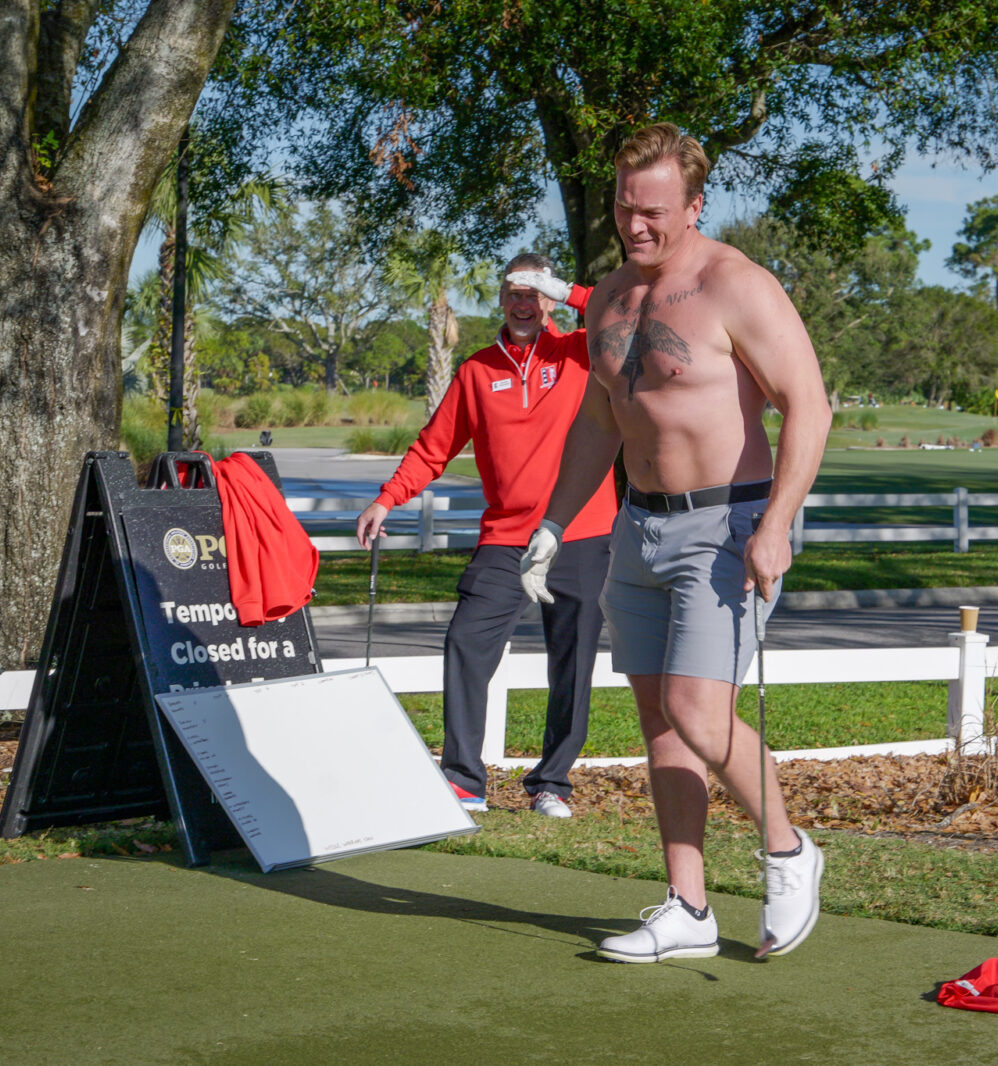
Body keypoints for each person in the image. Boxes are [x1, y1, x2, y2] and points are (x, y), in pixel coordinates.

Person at [521, 123, 833, 961]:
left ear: (694, 206)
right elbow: (601, 421)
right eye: (625, 209)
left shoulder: (737, 285)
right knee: (662, 722)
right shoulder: (610, 297)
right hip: (639, 527)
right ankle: (688, 908)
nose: (636, 226)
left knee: (699, 712)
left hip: (727, 525)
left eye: (654, 212)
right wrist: (553, 521)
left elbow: (810, 406)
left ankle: (788, 852)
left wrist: (776, 525)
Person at [356, 254, 616, 817]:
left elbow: (626, 311)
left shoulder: (580, 353)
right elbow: (433, 449)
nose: (523, 304)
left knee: (572, 662)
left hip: (582, 532)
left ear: (548, 299)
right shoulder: (476, 371)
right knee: (466, 641)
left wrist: (568, 290)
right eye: (513, 292)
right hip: (507, 538)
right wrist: (387, 499)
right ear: (501, 298)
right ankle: (464, 779)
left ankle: (552, 783)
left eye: (534, 293)